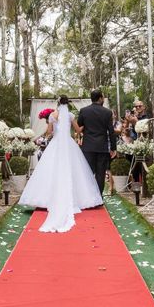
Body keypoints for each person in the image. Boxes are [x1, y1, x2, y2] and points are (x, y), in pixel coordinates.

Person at [19, 95, 104, 233]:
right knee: (75, 170)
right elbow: (78, 130)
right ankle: (80, 198)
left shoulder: (53, 115)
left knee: (51, 170)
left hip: (56, 144)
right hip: (69, 144)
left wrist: (49, 124)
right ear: (68, 103)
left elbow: (49, 132)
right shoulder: (70, 115)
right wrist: (86, 126)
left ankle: (45, 199)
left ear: (57, 103)